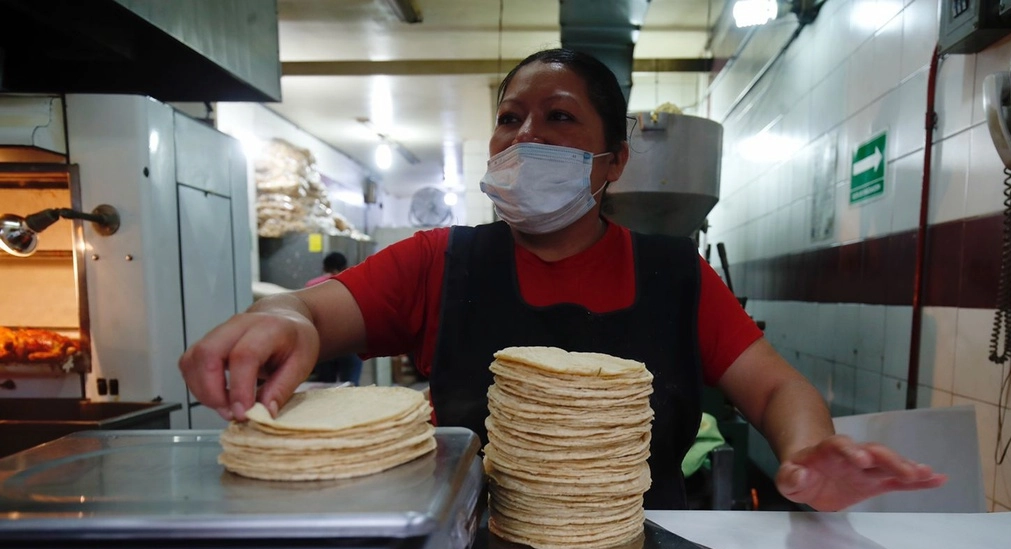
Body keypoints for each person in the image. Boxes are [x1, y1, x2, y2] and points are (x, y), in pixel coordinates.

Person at [180, 48, 945, 511]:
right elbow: (316, 315)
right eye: (510, 118)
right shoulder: (440, 261)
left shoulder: (672, 274)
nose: (525, 138)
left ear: (611, 164)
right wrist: (283, 319)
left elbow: (778, 389)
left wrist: (807, 449)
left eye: (558, 119)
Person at [304, 252, 362, 387]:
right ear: (345, 266)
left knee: (325, 388)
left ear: (324, 267)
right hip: (350, 342)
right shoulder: (353, 281)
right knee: (351, 385)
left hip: (324, 344)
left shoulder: (311, 285)